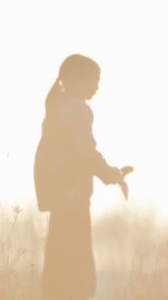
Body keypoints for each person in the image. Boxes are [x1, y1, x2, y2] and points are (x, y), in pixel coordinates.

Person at [34, 53, 128, 300]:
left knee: (57, 265)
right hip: (73, 196)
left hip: (59, 196)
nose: (97, 87)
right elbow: (86, 153)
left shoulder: (57, 108)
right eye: (94, 80)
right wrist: (112, 175)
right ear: (77, 80)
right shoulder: (78, 110)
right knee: (79, 271)